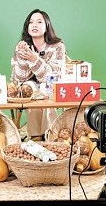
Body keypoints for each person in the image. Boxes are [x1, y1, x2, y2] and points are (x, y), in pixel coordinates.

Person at [13, 9, 67, 139]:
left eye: (39, 22)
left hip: (52, 87)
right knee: (29, 89)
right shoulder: (22, 47)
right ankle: (36, 136)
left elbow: (52, 77)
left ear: (47, 26)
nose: (34, 25)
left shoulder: (58, 47)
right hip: (30, 88)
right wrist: (22, 57)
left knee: (45, 90)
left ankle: (49, 134)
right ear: (27, 27)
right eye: (31, 22)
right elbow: (19, 78)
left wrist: (34, 59)